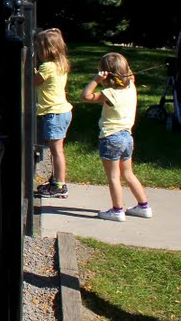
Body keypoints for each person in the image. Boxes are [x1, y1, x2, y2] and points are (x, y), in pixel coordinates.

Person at [80, 52, 152, 222]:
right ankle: (144, 206)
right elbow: (131, 76)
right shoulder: (131, 87)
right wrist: (122, 65)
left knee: (114, 176)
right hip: (127, 137)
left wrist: (96, 80)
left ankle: (117, 210)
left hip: (111, 138)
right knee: (128, 174)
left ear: (105, 73)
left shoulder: (109, 93)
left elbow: (85, 96)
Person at [33, 29, 73, 199]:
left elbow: (33, 80)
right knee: (55, 150)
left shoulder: (47, 67)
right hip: (60, 112)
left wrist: (29, 65)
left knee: (56, 151)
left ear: (48, 50)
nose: (36, 51)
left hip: (54, 113)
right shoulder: (61, 64)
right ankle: (56, 180)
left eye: (38, 48)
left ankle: (59, 185)